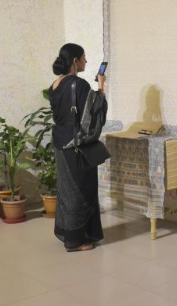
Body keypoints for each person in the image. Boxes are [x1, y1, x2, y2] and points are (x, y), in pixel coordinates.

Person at [49, 43, 106, 252]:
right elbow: (94, 113)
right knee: (81, 190)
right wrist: (101, 87)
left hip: (60, 143)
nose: (86, 61)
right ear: (75, 61)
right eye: (83, 58)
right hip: (76, 145)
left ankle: (73, 233)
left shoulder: (55, 84)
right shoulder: (78, 84)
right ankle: (75, 240)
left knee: (67, 189)